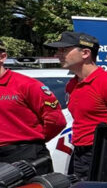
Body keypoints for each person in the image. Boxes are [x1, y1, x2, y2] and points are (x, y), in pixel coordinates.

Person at [45, 31, 107, 179]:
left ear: (85, 53)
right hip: (79, 154)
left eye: (64, 50)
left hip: (106, 153)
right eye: (58, 50)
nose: (58, 54)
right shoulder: (71, 84)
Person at [0, 39, 66, 172]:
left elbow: (56, 121)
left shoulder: (27, 85)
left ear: (2, 57)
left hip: (25, 155)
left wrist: (32, 140)